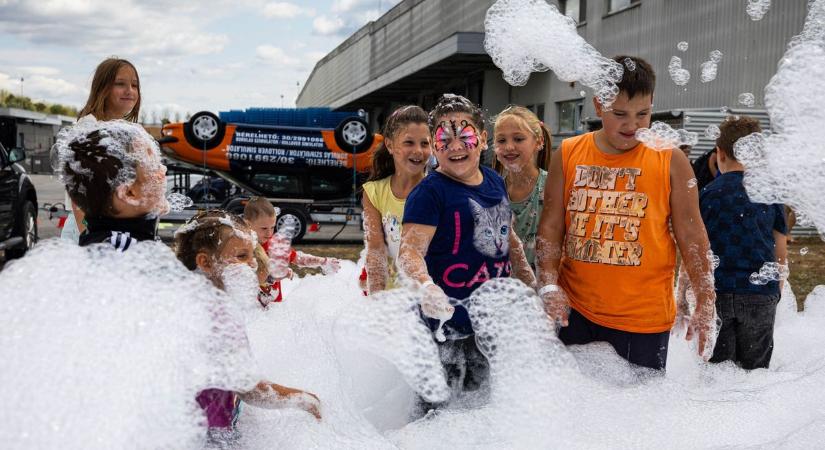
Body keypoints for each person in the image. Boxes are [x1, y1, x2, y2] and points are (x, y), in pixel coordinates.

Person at [535, 55, 717, 371]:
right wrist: (549, 284)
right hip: (575, 312)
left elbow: (692, 235)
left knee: (637, 417)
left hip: (643, 321)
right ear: (598, 105)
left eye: (643, 114)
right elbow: (551, 228)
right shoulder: (567, 154)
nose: (632, 125)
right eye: (619, 114)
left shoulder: (670, 160)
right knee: (573, 414)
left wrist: (705, 298)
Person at [397, 94, 535, 409]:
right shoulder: (429, 194)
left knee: (481, 409)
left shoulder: (494, 181)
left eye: (466, 136)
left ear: (483, 139)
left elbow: (509, 237)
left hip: (487, 324)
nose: (456, 146)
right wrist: (426, 287)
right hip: (442, 330)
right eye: (445, 139)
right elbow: (409, 253)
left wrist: (529, 282)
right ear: (433, 145)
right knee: (437, 414)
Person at [174, 210, 322, 434]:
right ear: (205, 262)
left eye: (252, 254)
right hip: (211, 435)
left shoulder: (184, 304)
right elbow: (250, 388)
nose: (253, 264)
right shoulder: (219, 317)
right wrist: (304, 400)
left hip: (188, 429)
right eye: (242, 256)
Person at [700, 116, 788, 370]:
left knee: (718, 371)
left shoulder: (708, 193)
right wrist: (776, 288)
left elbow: (696, 247)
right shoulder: (769, 193)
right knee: (755, 371)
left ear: (720, 153)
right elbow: (780, 249)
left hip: (719, 291)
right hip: (760, 295)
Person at [61, 58, 142, 243]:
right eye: (120, 84)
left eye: (134, 85)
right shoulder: (89, 127)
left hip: (111, 225)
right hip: (89, 226)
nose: (129, 90)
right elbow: (79, 186)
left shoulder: (124, 128)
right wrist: (87, 235)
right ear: (102, 88)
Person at [54, 119, 167, 248]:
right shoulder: (121, 250)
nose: (163, 171)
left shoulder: (105, 240)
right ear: (129, 193)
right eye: (154, 165)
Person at [361, 105, 432, 294]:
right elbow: (376, 251)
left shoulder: (438, 191)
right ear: (390, 145)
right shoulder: (374, 192)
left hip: (431, 297)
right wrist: (377, 302)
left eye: (425, 143)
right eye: (409, 142)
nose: (418, 151)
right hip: (394, 300)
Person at [243, 197, 341, 305]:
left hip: (273, 308)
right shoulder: (241, 249)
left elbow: (299, 258)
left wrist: (323, 261)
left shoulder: (274, 245)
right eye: (264, 228)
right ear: (248, 224)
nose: (269, 233)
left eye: (272, 227)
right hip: (251, 309)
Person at [492, 105, 553, 268]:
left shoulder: (552, 187)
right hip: (503, 285)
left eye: (518, 139)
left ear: (538, 141)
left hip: (543, 283)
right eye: (501, 140)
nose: (509, 147)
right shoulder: (491, 191)